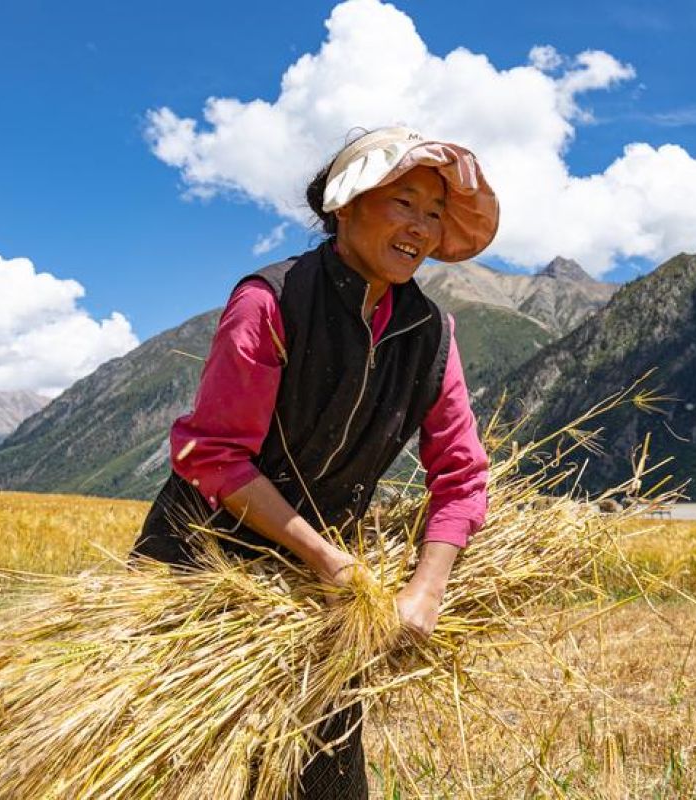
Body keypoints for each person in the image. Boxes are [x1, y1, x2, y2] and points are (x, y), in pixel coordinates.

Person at [132, 126, 499, 799]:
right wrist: (326, 558)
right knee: (166, 769)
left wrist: (426, 589)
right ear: (347, 205)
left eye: (435, 211)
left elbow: (461, 476)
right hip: (201, 557)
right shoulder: (271, 301)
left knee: (323, 772)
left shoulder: (430, 335)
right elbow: (211, 456)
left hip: (326, 591)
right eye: (403, 202)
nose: (420, 226)